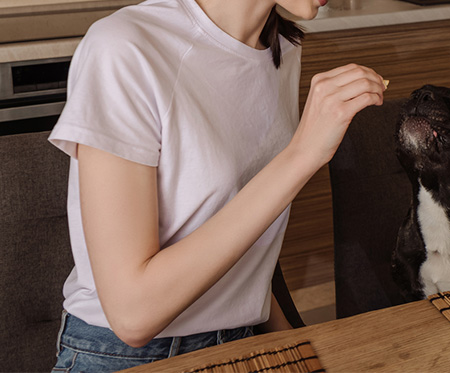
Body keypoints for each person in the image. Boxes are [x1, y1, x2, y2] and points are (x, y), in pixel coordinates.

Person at [48, 0, 386, 370]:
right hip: (126, 358)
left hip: (242, 342)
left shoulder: (280, 50)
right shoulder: (124, 46)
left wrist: (290, 341)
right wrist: (302, 155)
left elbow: (236, 246)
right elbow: (133, 316)